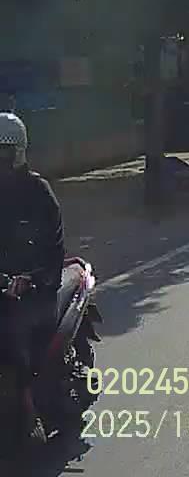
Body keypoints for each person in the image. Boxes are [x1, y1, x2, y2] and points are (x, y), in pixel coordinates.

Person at [0, 112, 65, 443]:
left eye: (2, 152)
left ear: (18, 152)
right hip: (3, 286)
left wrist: (30, 278)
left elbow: (54, 248)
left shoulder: (39, 192)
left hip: (36, 290)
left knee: (11, 328)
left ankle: (29, 411)